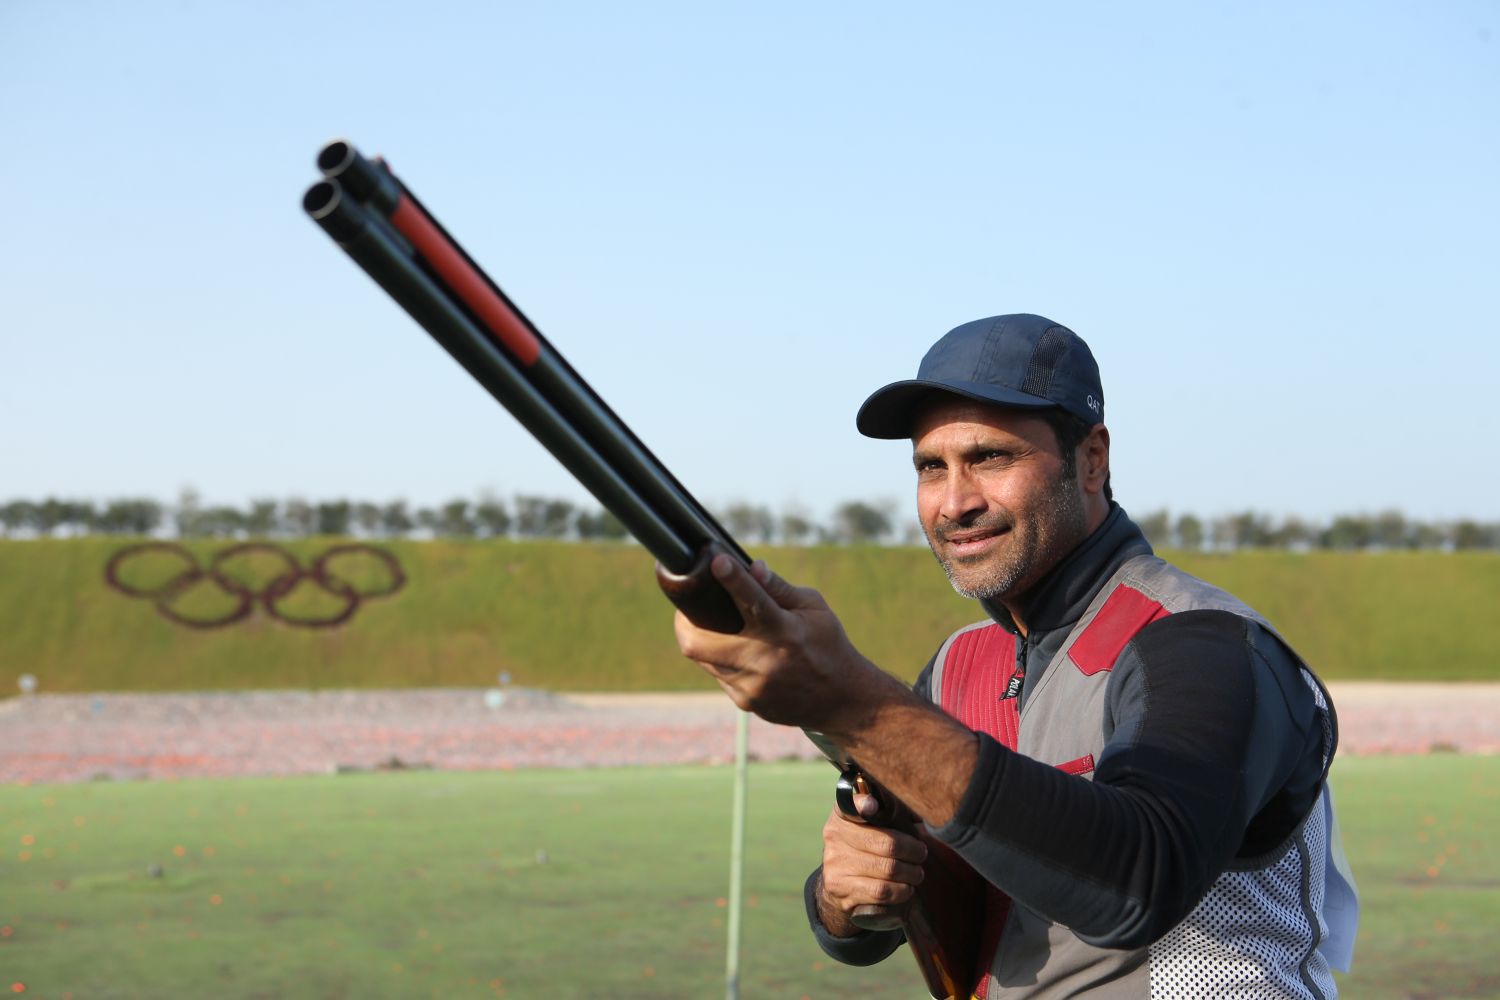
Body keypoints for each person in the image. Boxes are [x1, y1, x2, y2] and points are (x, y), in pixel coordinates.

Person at [672, 314, 1358, 999]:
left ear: (1092, 458)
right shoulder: (956, 667)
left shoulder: (1204, 642)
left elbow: (1142, 880)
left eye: (991, 458)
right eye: (930, 467)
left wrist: (851, 701)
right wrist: (844, 897)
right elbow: (898, 912)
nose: (955, 502)